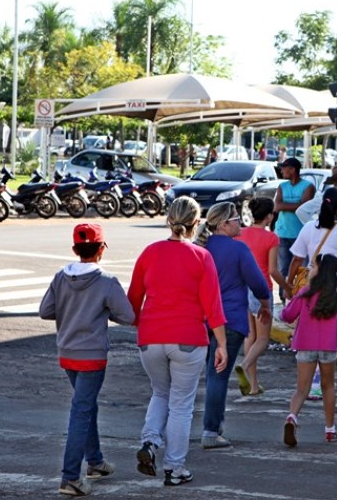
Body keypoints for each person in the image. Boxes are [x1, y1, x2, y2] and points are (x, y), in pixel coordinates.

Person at [127, 197, 228, 487]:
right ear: (197, 224)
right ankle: (174, 468)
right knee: (181, 405)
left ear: (169, 219)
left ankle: (149, 441)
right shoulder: (201, 256)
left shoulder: (149, 253)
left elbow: (134, 300)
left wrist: (142, 325)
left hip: (151, 338)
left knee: (160, 393)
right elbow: (213, 306)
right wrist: (221, 344)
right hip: (188, 339)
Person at [39, 223, 135, 497]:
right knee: (81, 411)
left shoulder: (60, 277)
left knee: (86, 406)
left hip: (67, 354)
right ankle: (70, 477)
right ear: (101, 249)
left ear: (75, 249)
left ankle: (95, 462)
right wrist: (104, 312)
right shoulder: (107, 281)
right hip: (92, 357)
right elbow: (128, 316)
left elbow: (46, 310)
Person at [195, 202, 272, 448]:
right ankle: (211, 430)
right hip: (229, 318)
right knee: (218, 375)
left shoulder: (200, 248)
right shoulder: (238, 249)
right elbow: (259, 283)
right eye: (237, 219)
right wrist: (265, 305)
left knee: (206, 374)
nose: (241, 222)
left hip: (201, 319)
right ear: (224, 224)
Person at [287, 187, 337, 400]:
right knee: (332, 330)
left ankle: (309, 382)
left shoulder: (308, 228)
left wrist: (289, 283)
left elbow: (297, 259)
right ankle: (321, 380)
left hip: (310, 286)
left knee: (309, 329)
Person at [280, 254, 337, 447]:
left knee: (301, 389)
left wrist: (284, 308)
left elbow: (287, 316)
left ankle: (292, 417)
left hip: (305, 345)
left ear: (320, 271)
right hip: (328, 348)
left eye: (313, 266)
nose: (310, 269)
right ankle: (330, 430)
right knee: (328, 387)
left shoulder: (305, 293)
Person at [236, 197, 291, 395]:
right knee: (262, 340)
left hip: (242, 288)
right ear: (269, 217)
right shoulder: (271, 238)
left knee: (250, 336)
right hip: (260, 291)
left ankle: (253, 385)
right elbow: (273, 270)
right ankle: (244, 364)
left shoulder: (240, 233)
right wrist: (287, 287)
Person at [274, 157, 316, 303]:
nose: (281, 170)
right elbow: (277, 206)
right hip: (283, 232)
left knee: (302, 268)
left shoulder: (308, 186)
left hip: (301, 233)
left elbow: (304, 207)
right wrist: (296, 206)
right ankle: (283, 296)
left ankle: (299, 297)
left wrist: (288, 206)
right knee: (283, 268)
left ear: (293, 169)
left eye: (284, 167)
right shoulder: (282, 186)